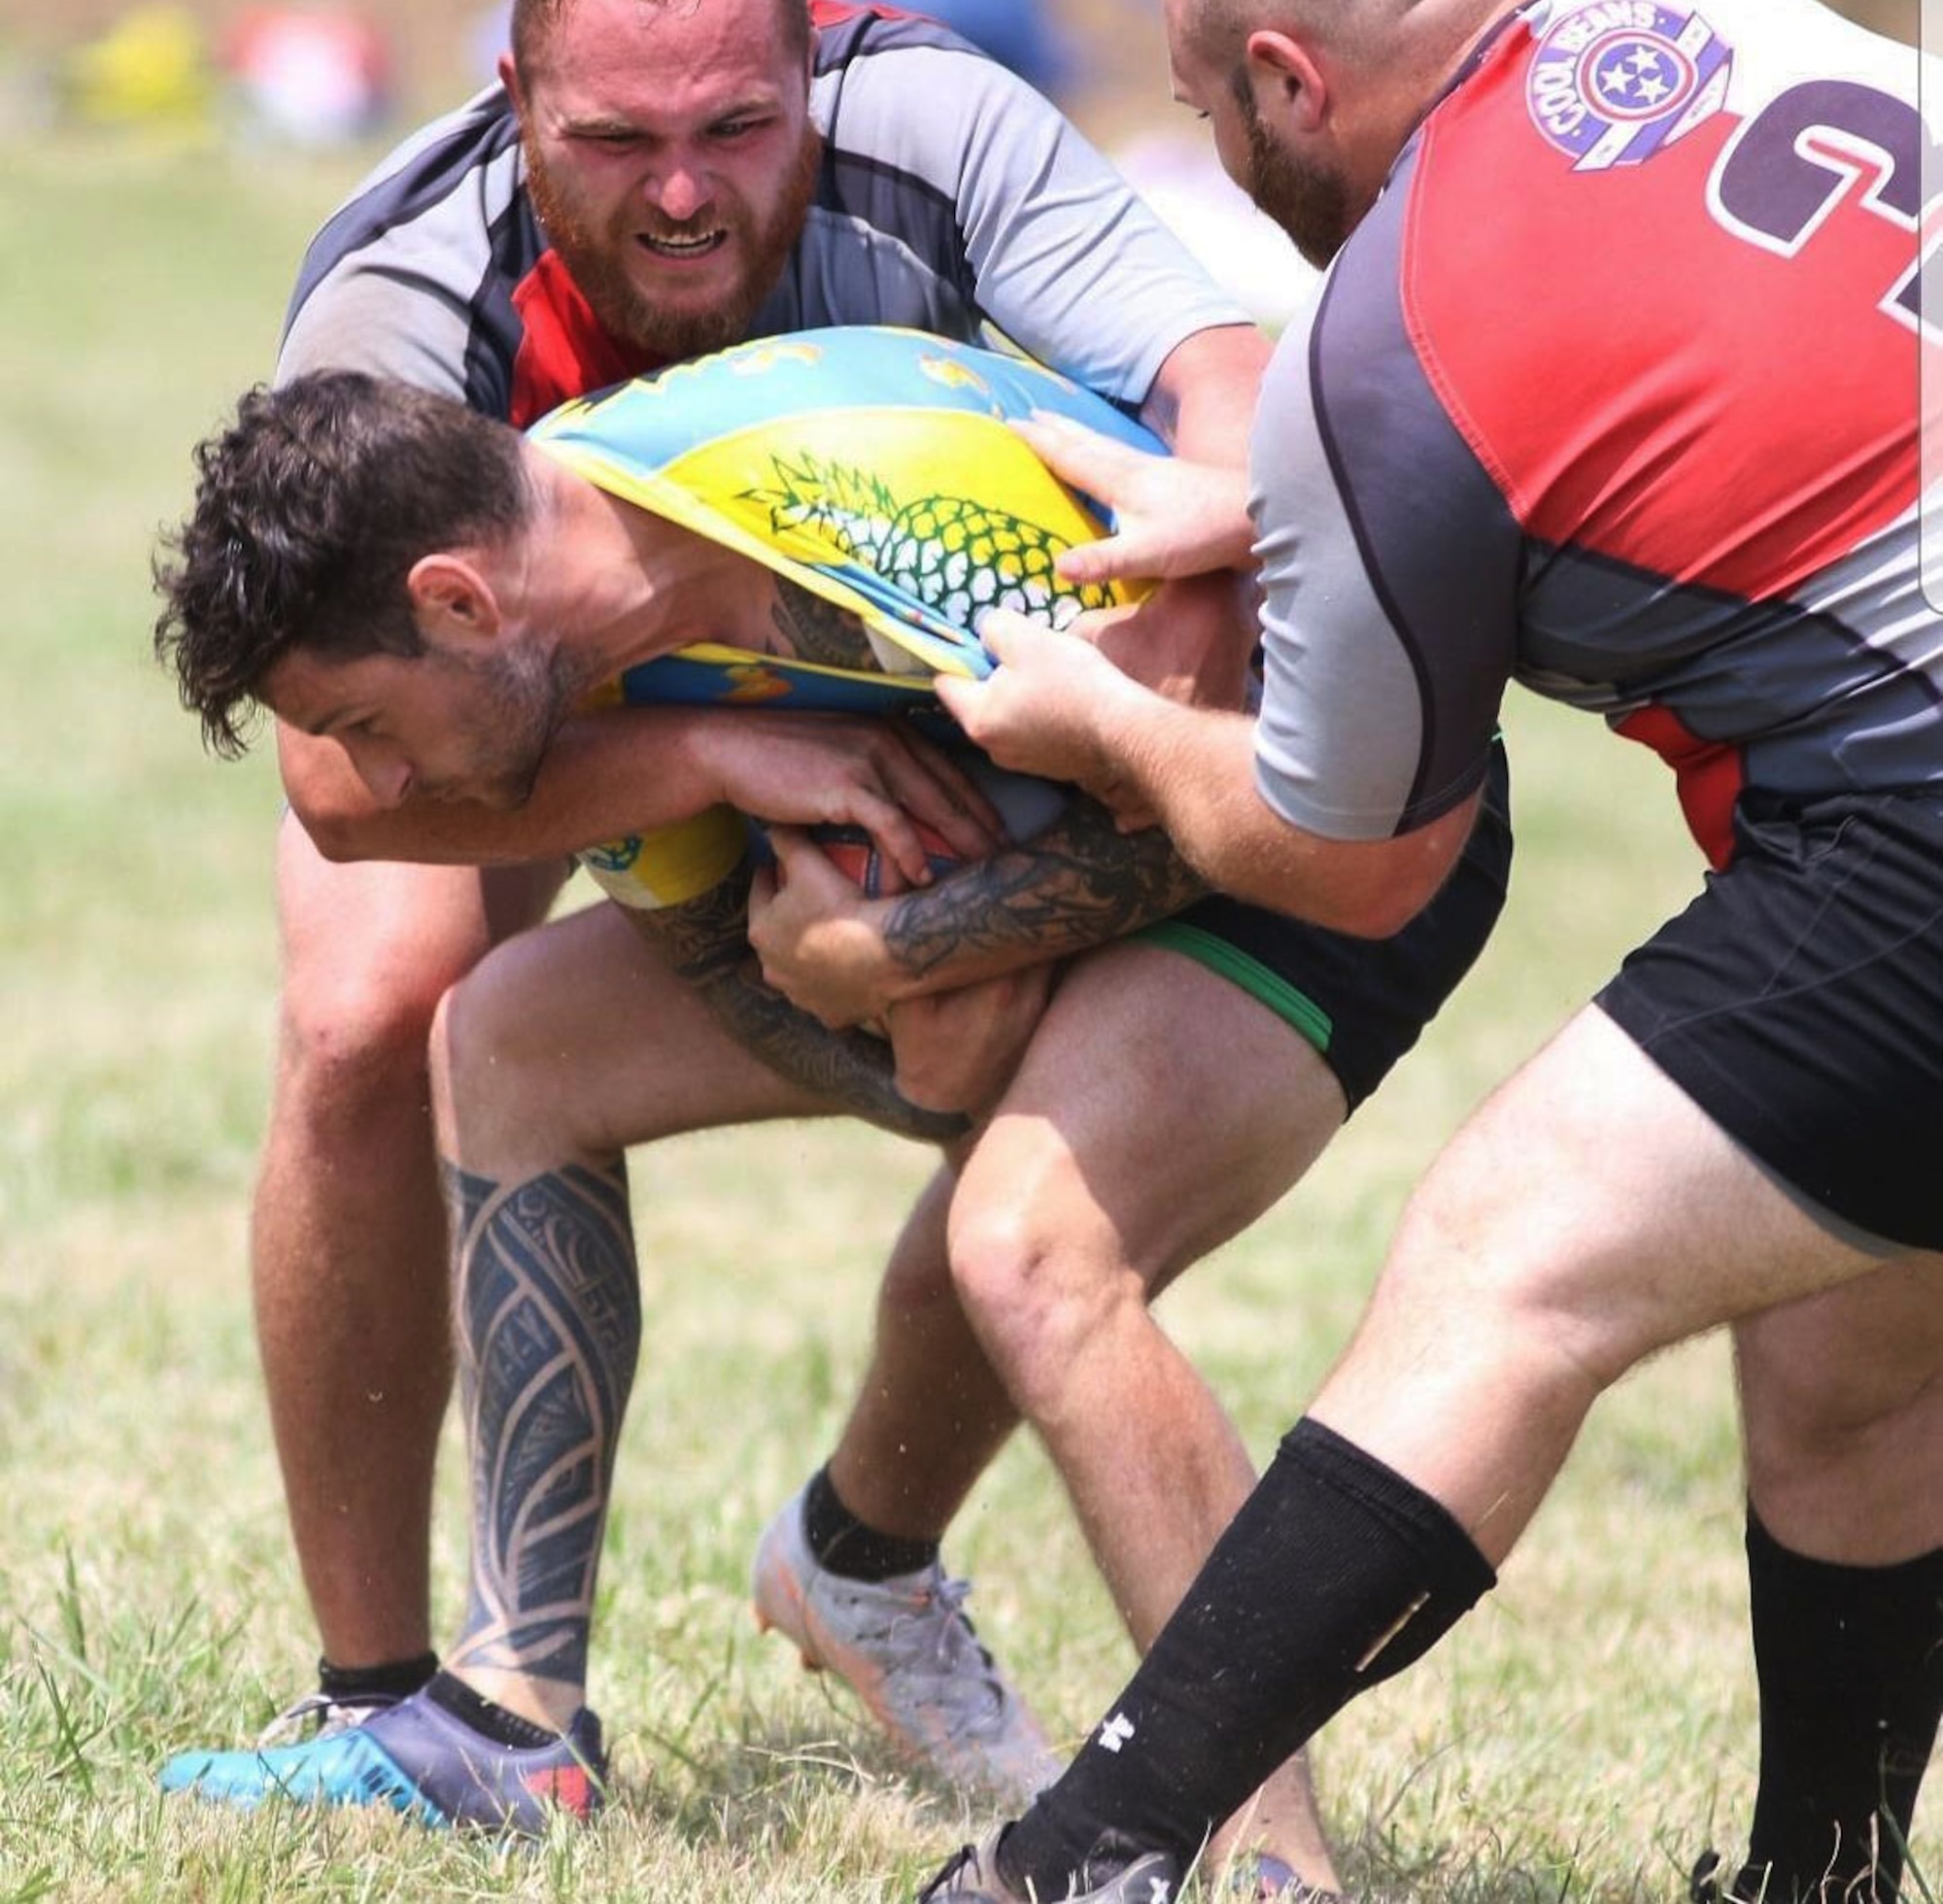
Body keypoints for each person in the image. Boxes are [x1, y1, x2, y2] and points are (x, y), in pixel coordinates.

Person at [152, 330, 1512, 1887]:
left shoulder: (877, 507)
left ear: (460, 601)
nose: (383, 784)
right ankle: (514, 1719)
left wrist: (890, 953)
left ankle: (1276, 1868)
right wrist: (754, 803)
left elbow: (1249, 808)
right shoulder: (578, 629)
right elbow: (788, 1005)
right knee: (513, 1039)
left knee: (1027, 1245)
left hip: (1346, 849)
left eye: (378, 726)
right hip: (1088, 858)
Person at [179, 0, 1289, 1829]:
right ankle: (401, 1700)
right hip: (527, 681)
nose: (684, 192)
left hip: (929, 644)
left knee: (973, 1039)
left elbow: (1227, 375)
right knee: (378, 1013)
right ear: (518, 101)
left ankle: (869, 1552)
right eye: (617, 141)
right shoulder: (407, 288)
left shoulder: (935, 124)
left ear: (816, 75)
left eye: (736, 130)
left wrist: (1220, 550)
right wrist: (706, 763)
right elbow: (335, 771)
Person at [904, 0, 1943, 1899]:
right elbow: (1707, 362)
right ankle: (1829, 1877)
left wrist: (1104, 724)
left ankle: (1091, 1857)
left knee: (1502, 1268)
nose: (1217, 144)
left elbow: (1346, 855)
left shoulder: (1388, 343)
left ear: (1286, 81)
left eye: (1211, 109)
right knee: (1851, 1351)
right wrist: (1278, 504)